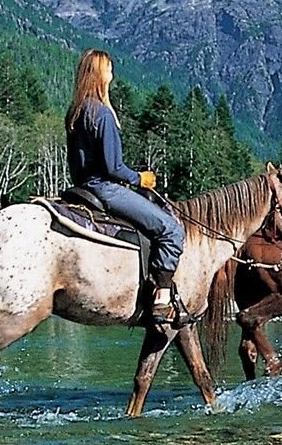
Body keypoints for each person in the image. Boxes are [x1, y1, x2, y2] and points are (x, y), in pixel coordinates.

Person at [65, 49, 189, 326]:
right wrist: (140, 178)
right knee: (171, 229)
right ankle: (162, 297)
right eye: (109, 69)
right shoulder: (102, 115)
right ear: (99, 74)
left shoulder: (75, 111)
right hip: (106, 189)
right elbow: (113, 168)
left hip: (81, 187)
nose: (112, 74)